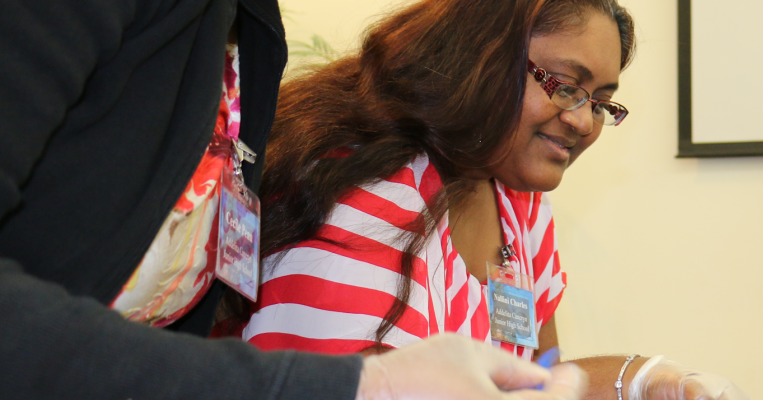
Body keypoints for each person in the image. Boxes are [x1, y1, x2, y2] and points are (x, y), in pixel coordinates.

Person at [0, 0, 586, 399]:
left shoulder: (252, 34)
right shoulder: (364, 189)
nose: (584, 121)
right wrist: (360, 386)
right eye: (565, 84)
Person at [225, 0, 747, 399]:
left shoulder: (517, 201)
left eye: (603, 103)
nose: (585, 122)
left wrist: (644, 379)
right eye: (566, 87)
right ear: (479, 59)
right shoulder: (363, 200)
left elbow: (535, 381)